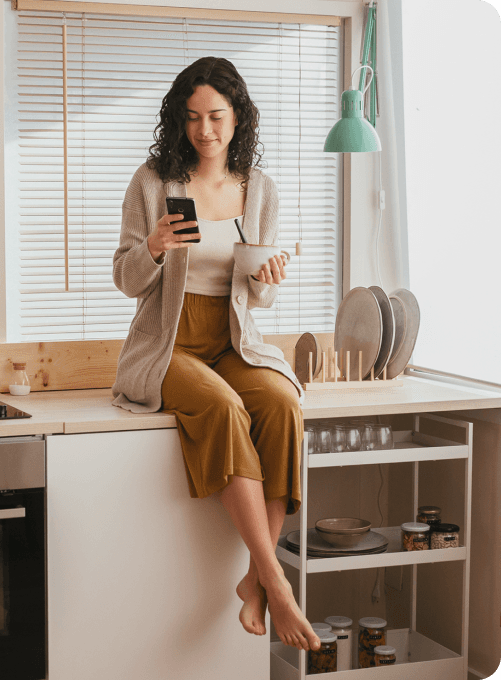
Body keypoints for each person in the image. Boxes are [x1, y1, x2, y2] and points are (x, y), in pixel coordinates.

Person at [112, 56, 320, 653]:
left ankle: (253, 579)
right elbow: (126, 279)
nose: (205, 130)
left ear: (238, 119)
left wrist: (269, 275)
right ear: (180, 120)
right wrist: (152, 246)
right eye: (194, 117)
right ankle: (275, 578)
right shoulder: (155, 183)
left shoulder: (261, 189)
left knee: (281, 401)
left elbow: (263, 297)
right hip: (168, 342)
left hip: (234, 340)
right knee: (225, 409)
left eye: (217, 117)